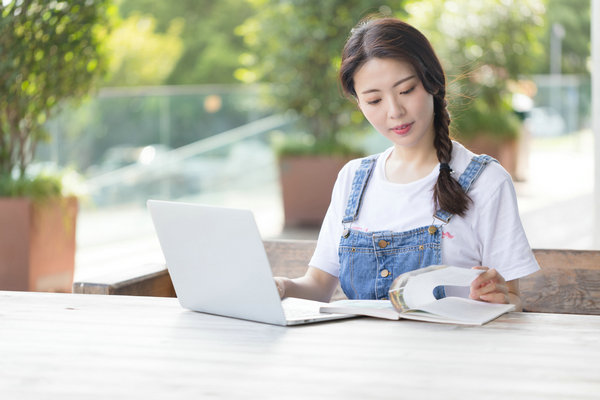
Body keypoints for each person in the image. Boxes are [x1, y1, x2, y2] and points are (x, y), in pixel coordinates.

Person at [273, 17, 539, 311]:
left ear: (432, 83)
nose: (394, 111)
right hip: (362, 354)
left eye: (406, 90)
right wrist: (281, 286)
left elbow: (511, 299)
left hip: (453, 353)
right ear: (359, 103)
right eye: (374, 101)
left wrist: (502, 300)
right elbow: (318, 286)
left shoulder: (485, 181)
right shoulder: (353, 179)